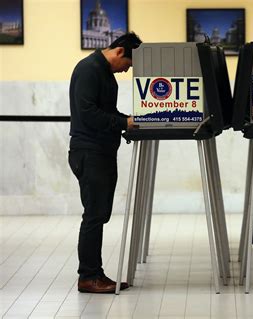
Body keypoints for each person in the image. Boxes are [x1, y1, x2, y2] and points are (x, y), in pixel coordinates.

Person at [68, 32, 142, 293]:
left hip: (101, 151)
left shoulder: (104, 72)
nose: (126, 71)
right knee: (93, 216)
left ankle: (94, 274)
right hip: (89, 152)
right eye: (128, 65)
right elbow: (88, 114)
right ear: (120, 52)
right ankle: (88, 277)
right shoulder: (89, 69)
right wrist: (124, 122)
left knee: (99, 214)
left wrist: (129, 120)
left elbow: (106, 113)